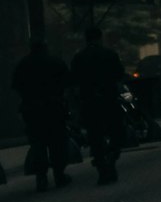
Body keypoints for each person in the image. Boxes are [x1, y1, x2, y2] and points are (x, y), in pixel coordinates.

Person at [12, 40, 71, 192]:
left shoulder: (23, 65)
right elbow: (67, 82)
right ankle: (59, 174)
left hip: (32, 110)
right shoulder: (55, 62)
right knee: (57, 143)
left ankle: (41, 178)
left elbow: (17, 86)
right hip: (54, 108)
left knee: (38, 144)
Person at [70, 26, 126, 184]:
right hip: (109, 100)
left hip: (90, 102)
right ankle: (112, 157)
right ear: (100, 37)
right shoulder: (109, 54)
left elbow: (73, 81)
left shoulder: (79, 57)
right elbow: (119, 75)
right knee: (116, 132)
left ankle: (102, 166)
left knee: (95, 136)